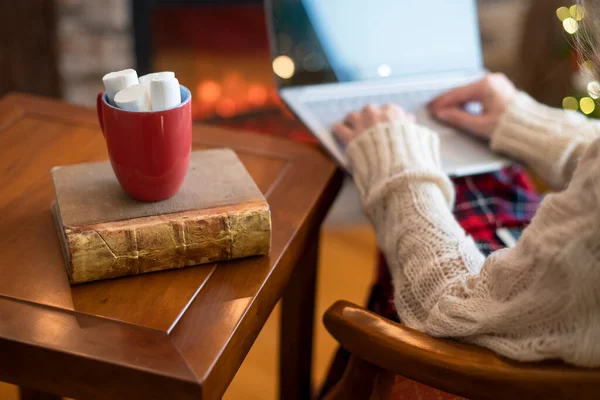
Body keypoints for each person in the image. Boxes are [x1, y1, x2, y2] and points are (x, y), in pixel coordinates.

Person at [332, 67, 600, 365]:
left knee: (476, 185)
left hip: (486, 375)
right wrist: (525, 122)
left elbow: (452, 314)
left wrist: (396, 167)